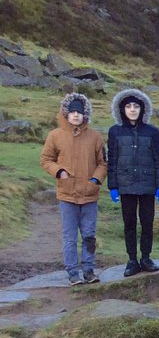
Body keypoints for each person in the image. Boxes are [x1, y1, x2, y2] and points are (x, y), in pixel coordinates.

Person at [40, 92, 106, 285]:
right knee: (70, 237)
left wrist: (95, 180)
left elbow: (103, 163)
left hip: (89, 195)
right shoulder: (55, 135)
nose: (76, 115)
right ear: (66, 113)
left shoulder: (95, 137)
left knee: (89, 235)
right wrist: (59, 171)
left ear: (85, 114)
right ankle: (72, 272)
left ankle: (89, 270)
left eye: (80, 111)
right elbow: (45, 160)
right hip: (66, 195)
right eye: (72, 111)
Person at [107, 88, 159, 277]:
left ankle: (146, 258)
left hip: (148, 185)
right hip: (126, 186)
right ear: (121, 109)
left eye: (136, 106)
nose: (132, 110)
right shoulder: (115, 132)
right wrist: (113, 186)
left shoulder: (151, 132)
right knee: (130, 223)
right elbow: (112, 160)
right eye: (128, 106)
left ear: (143, 109)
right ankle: (132, 260)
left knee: (147, 223)